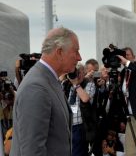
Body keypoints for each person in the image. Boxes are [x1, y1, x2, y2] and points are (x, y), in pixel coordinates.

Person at [10, 27, 81, 156]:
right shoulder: (36, 87)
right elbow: (32, 150)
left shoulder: (48, 80)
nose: (79, 58)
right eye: (75, 52)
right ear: (59, 52)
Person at [62, 63, 96, 156]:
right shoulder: (66, 84)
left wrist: (76, 84)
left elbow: (85, 99)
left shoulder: (89, 83)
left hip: (80, 126)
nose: (78, 75)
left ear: (84, 73)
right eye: (75, 72)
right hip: (67, 127)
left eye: (79, 72)